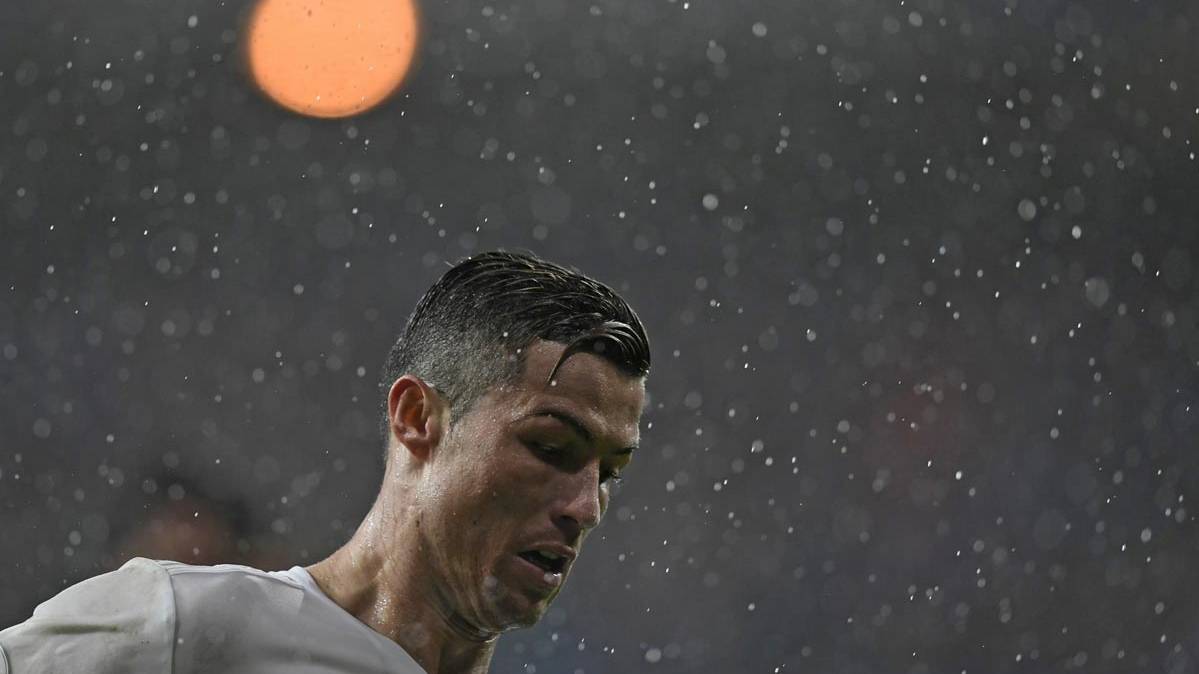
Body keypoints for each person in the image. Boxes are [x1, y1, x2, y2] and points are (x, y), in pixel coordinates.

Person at [0, 250, 652, 674]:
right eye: (549, 448)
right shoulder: (186, 628)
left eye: (609, 472)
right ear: (418, 420)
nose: (585, 505)